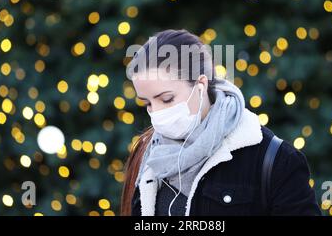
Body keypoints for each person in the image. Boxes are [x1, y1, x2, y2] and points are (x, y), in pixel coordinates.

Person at [120, 29, 321, 216]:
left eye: (167, 99)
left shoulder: (275, 159)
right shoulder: (148, 155)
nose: (157, 113)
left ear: (201, 85)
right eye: (147, 103)